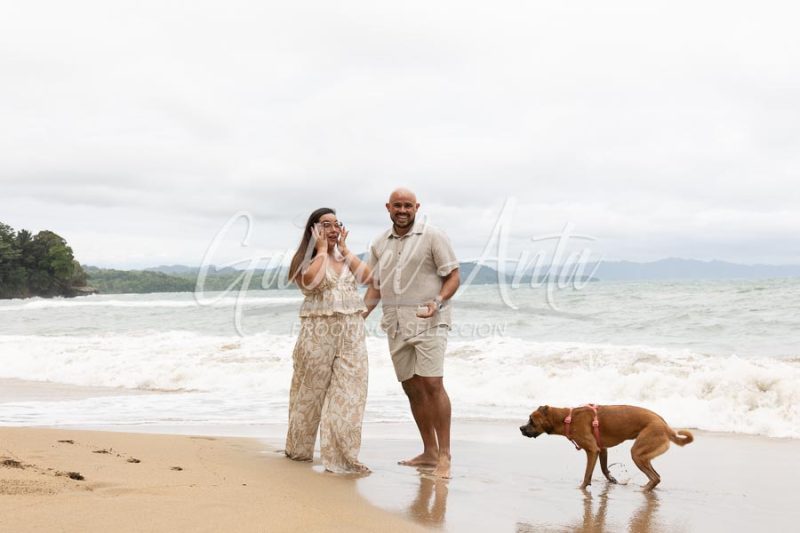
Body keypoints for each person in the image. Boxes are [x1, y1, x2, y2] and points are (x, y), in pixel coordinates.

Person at [363, 188, 460, 478]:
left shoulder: (433, 236)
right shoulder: (379, 242)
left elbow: (453, 275)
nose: (402, 210)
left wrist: (438, 302)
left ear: (416, 207)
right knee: (412, 388)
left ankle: (444, 455)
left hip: (430, 321)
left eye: (408, 205)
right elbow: (375, 286)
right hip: (395, 324)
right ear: (388, 208)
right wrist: (361, 313)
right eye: (397, 206)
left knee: (432, 384)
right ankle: (429, 452)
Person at [284, 207, 372, 474]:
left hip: (351, 337)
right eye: (326, 225)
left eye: (337, 224)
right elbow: (311, 281)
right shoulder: (305, 259)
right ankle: (299, 450)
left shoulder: (345, 257)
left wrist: (344, 250)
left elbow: (369, 278)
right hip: (317, 336)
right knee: (309, 396)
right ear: (314, 230)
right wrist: (321, 250)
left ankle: (343, 458)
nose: (333, 229)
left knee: (350, 395)